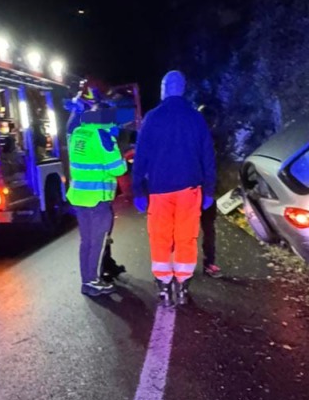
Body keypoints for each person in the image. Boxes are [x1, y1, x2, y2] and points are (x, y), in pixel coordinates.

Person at [131, 69, 216, 306]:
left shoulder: (152, 118)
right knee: (186, 237)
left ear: (164, 89)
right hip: (190, 190)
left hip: (159, 190)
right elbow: (208, 156)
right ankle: (182, 286)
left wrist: (138, 190)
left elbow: (141, 156)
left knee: (160, 237)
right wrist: (209, 190)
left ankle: (164, 286)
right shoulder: (195, 118)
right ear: (183, 89)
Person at [65, 83, 127, 298]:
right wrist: (121, 154)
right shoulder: (103, 137)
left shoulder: (78, 133)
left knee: (86, 242)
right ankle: (93, 282)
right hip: (97, 200)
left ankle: (86, 280)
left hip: (79, 198)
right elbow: (117, 169)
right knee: (98, 242)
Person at [197, 103, 221, 277]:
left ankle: (206, 263)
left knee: (204, 229)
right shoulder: (206, 140)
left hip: (198, 191)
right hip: (198, 191)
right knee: (207, 229)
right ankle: (208, 264)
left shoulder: (208, 140)